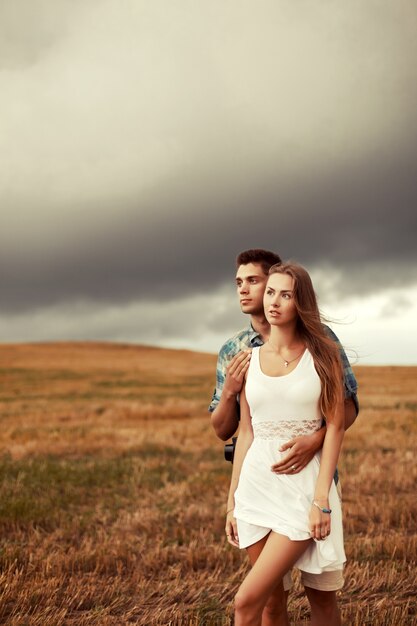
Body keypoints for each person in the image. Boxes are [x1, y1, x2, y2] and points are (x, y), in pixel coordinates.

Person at [209, 249, 358, 626]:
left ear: (299, 300)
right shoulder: (239, 355)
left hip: (306, 488)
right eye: (267, 290)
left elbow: (342, 417)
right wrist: (232, 503)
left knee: (319, 598)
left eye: (281, 292)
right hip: (257, 488)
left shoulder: (323, 349)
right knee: (269, 602)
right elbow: (239, 431)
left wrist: (316, 446)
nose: (261, 296)